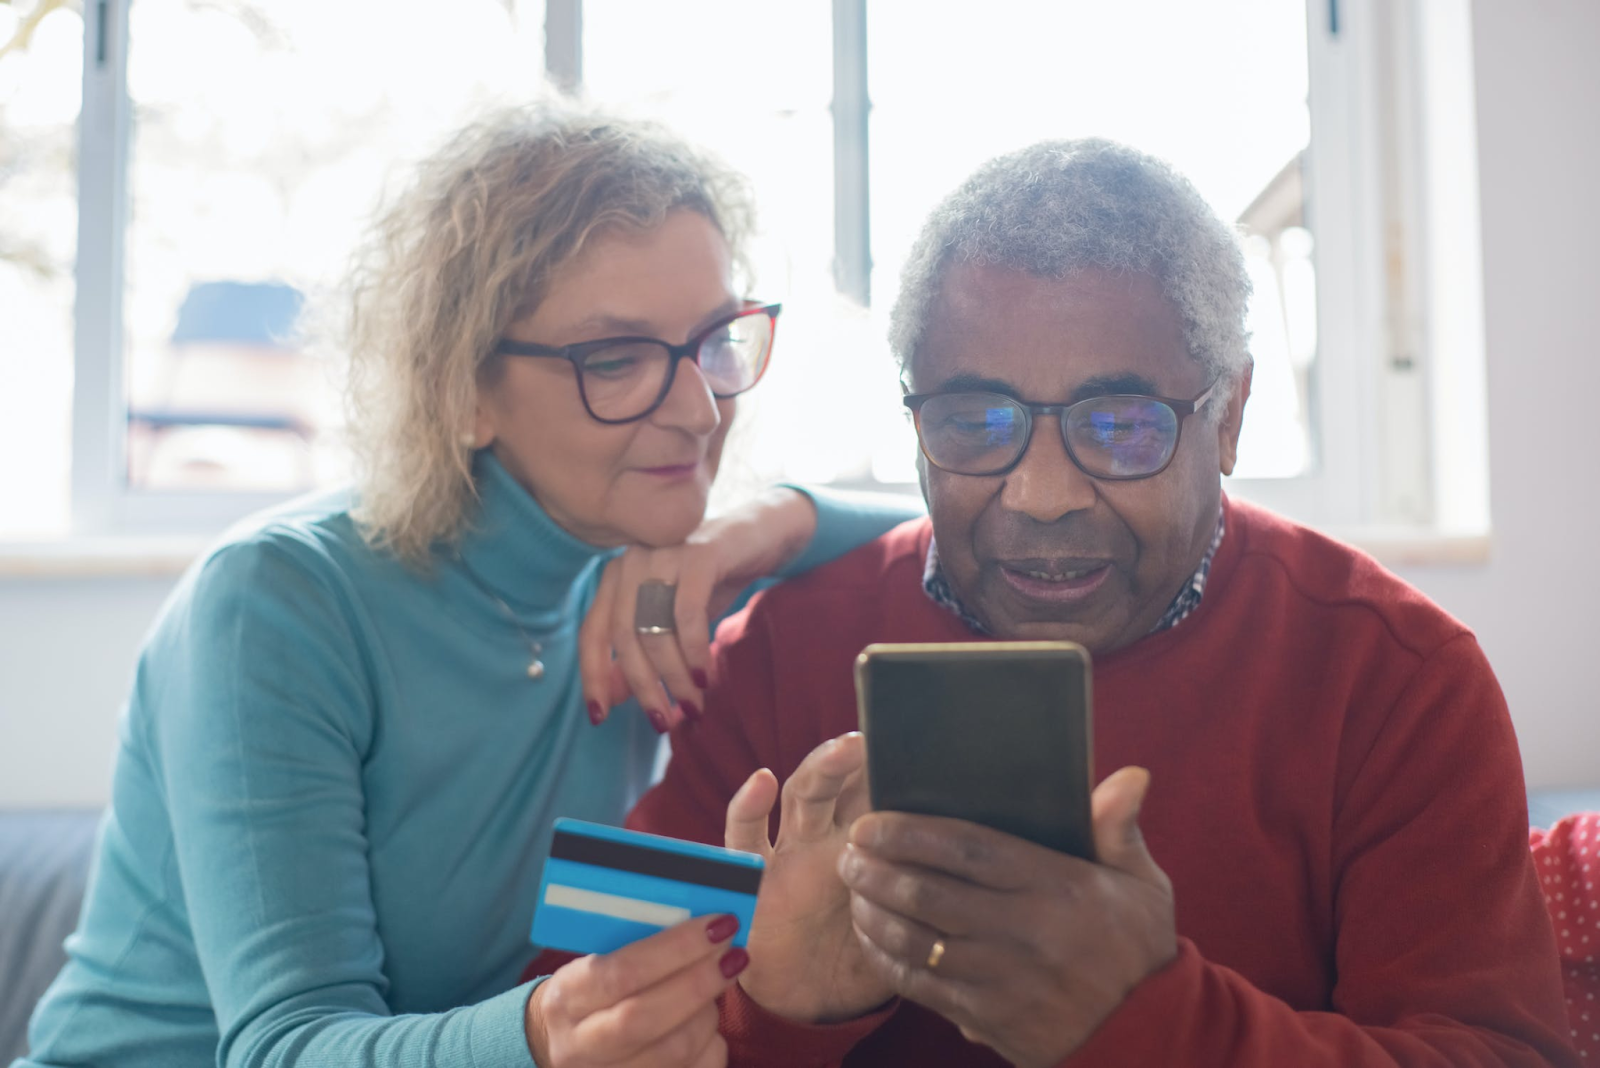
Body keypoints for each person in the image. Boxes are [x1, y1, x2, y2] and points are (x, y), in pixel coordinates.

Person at [627, 139, 1580, 1066]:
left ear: (1230, 418)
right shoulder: (774, 656)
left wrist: (1153, 1019)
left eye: (1122, 425)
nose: (1043, 495)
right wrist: (780, 1015)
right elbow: (581, 1007)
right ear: (916, 422)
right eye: (975, 422)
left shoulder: (1396, 679)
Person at [16, 104, 918, 1068]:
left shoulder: (647, 579)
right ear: (464, 389)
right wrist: (541, 1033)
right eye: (615, 360)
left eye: (713, 341)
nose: (699, 409)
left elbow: (952, 531)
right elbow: (282, 1046)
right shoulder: (275, 603)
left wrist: (761, 525)